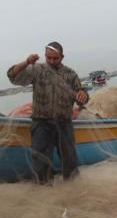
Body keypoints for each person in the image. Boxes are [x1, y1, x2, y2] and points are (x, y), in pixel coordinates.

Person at [7, 42, 88, 184]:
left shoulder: (70, 74)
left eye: (55, 58)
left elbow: (82, 95)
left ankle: (72, 189)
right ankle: (44, 191)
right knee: (40, 162)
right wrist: (26, 62)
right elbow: (13, 76)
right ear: (45, 56)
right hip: (41, 123)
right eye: (48, 58)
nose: (51, 61)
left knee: (69, 160)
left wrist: (83, 95)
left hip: (64, 123)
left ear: (62, 57)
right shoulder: (37, 70)